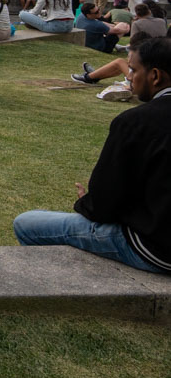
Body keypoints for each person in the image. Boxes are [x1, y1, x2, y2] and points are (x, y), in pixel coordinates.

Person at [14, 37, 171, 275]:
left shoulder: (136, 122)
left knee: (27, 224)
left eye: (134, 70)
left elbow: (103, 204)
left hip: (156, 249)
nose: (128, 77)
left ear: (155, 76)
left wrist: (87, 202)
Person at [72, 3, 166, 84]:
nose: (99, 12)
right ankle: (94, 76)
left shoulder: (83, 18)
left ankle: (89, 77)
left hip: (145, 81)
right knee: (120, 66)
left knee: (120, 62)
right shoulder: (162, 24)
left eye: (99, 10)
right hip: (151, 77)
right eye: (96, 12)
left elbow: (131, 43)